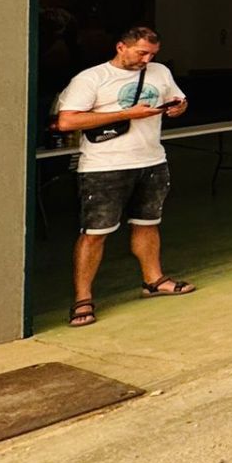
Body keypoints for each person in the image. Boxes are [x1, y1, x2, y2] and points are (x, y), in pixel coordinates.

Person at [55, 26, 195, 328]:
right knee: (96, 232)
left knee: (148, 224)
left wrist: (178, 108)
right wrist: (125, 114)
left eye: (152, 54)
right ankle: (82, 297)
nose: (146, 59)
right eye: (141, 52)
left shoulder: (159, 72)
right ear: (121, 47)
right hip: (104, 165)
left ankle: (153, 279)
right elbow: (67, 121)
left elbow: (178, 100)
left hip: (151, 158)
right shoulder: (92, 78)